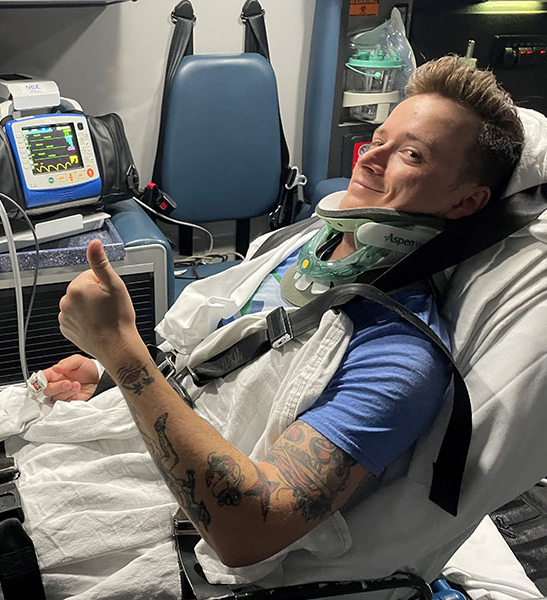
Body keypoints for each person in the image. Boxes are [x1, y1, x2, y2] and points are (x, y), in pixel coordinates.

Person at [47, 54, 525, 571]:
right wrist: (103, 375)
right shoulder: (300, 244)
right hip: (129, 447)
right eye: (379, 140)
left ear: (466, 202)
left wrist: (121, 352)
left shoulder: (398, 356)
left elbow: (250, 530)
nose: (369, 159)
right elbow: (216, 368)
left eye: (410, 154)